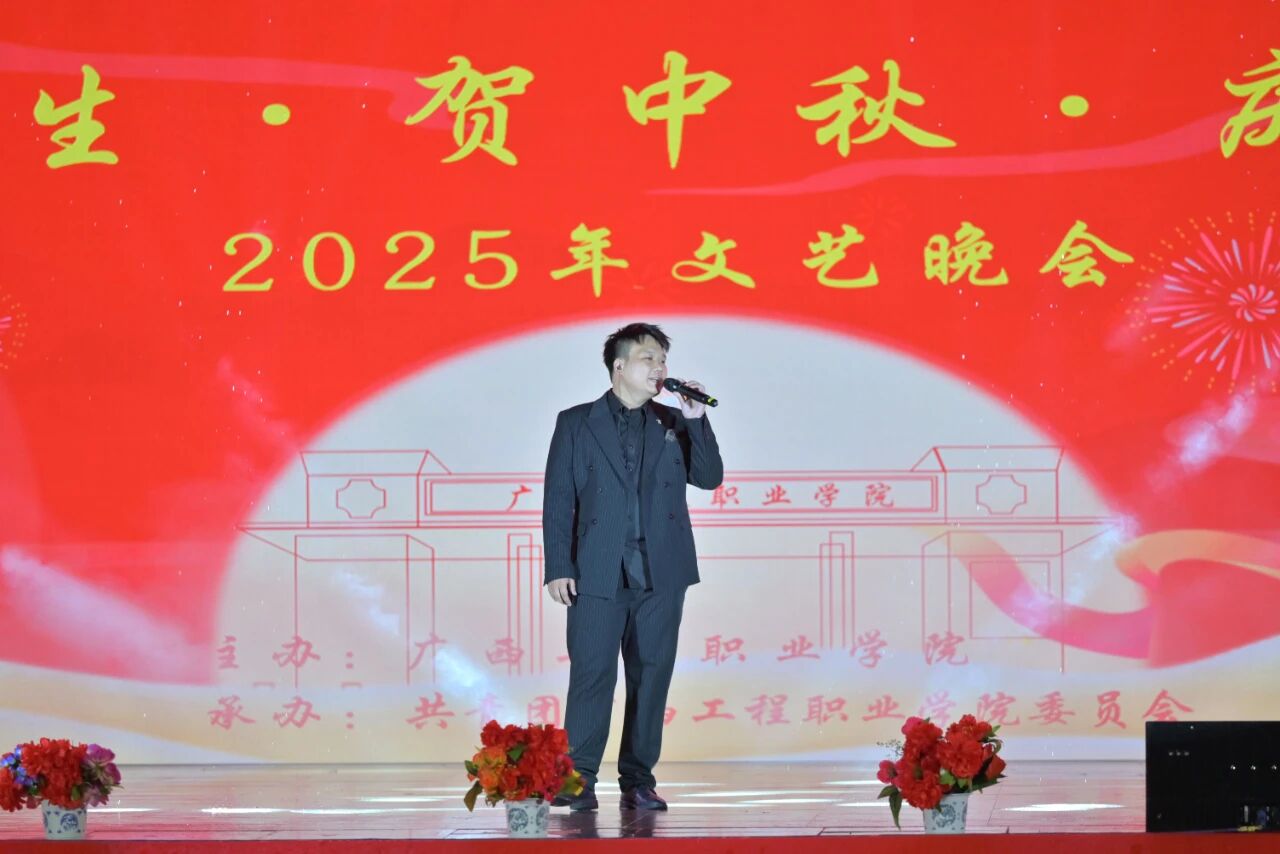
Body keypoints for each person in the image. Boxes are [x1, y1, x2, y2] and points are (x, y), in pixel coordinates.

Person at [542, 323, 723, 811]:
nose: (659, 368)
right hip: (596, 571)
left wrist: (696, 420)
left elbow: (709, 478)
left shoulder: (674, 421)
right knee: (592, 675)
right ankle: (578, 778)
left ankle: (638, 780)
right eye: (649, 359)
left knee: (651, 676)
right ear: (619, 366)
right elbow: (559, 499)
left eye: (663, 360)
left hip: (661, 573)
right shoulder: (575, 423)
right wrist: (558, 565)